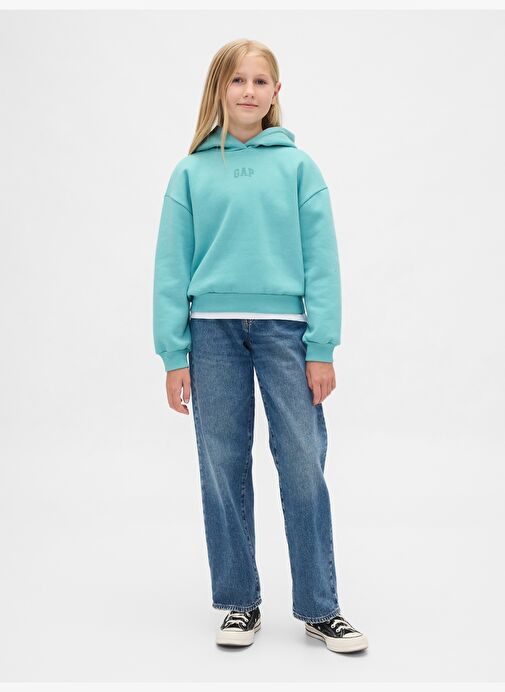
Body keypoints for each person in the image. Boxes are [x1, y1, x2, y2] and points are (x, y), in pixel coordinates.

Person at [153, 38, 368, 654]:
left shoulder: (299, 168)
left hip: (285, 333)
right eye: (237, 80)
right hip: (211, 333)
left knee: (302, 461)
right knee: (222, 466)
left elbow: (322, 262)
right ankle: (238, 602)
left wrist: (321, 345)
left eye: (260, 81)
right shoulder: (190, 172)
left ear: (276, 93)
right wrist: (173, 355)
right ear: (218, 90)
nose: (248, 91)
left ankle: (321, 607)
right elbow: (171, 266)